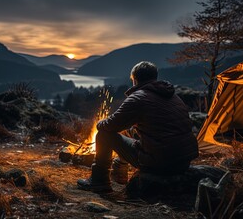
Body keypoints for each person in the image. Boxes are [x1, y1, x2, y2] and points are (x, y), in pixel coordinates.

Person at [77, 61, 199, 193]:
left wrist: (100, 123)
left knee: (104, 135)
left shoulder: (138, 98)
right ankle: (119, 172)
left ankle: (99, 181)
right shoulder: (174, 97)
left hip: (160, 162)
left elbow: (110, 125)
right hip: (183, 161)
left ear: (134, 79)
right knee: (129, 132)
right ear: (154, 77)